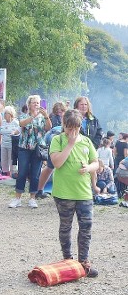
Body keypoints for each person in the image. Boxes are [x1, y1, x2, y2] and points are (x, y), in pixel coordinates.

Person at [49, 109, 99, 277]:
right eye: (69, 128)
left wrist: (89, 168)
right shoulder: (57, 140)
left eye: (76, 128)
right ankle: (67, 260)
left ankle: (84, 261)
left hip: (84, 193)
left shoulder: (86, 141)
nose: (73, 132)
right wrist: (70, 144)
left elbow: (96, 163)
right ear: (64, 126)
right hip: (63, 193)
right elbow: (57, 163)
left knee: (86, 227)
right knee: (66, 226)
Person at [10, 95, 51, 208]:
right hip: (24, 147)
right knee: (22, 172)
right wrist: (32, 116)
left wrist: (46, 116)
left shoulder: (43, 117)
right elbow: (21, 124)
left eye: (38, 103)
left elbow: (48, 128)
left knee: (35, 174)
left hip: (38, 148)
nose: (36, 105)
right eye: (34, 102)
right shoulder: (24, 115)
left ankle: (32, 198)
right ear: (29, 104)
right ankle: (17, 198)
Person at [0, 105, 20, 175]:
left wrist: (14, 133)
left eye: (5, 114)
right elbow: (0, 131)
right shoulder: (3, 122)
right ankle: (5, 173)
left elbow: (18, 131)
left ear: (10, 114)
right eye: (4, 113)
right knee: (3, 159)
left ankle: (12, 173)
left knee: (11, 159)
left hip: (12, 144)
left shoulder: (15, 122)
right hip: (4, 144)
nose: (4, 115)